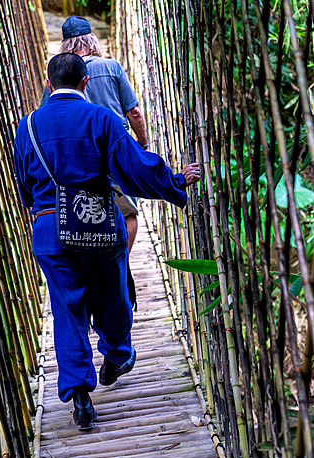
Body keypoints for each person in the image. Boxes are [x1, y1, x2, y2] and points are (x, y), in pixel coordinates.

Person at [14, 53, 200, 431]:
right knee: (112, 293)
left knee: (66, 309)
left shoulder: (27, 126)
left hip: (50, 230)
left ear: (48, 85)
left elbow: (25, 187)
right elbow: (134, 169)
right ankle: (116, 355)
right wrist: (176, 181)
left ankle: (80, 396)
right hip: (97, 224)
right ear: (85, 83)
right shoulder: (101, 119)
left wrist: (44, 210)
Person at [41, 15, 146, 254]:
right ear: (92, 40)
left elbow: (47, 115)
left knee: (83, 215)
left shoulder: (58, 73)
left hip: (74, 156)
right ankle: (122, 263)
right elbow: (134, 112)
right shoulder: (111, 67)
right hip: (116, 151)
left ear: (66, 44)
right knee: (128, 213)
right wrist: (142, 142)